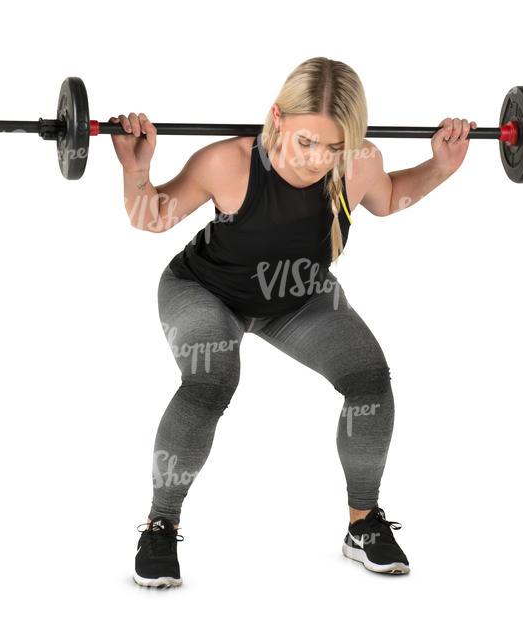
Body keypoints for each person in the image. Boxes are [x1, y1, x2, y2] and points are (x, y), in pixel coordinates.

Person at [110, 57, 476, 587]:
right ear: (277, 117)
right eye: (307, 142)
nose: (317, 160)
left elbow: (390, 198)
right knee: (211, 380)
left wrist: (442, 166)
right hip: (205, 291)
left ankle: (363, 523)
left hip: (297, 297)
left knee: (369, 380)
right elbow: (151, 219)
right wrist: (136, 170)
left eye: (333, 147)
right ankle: (161, 524)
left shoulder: (360, 162)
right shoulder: (228, 162)